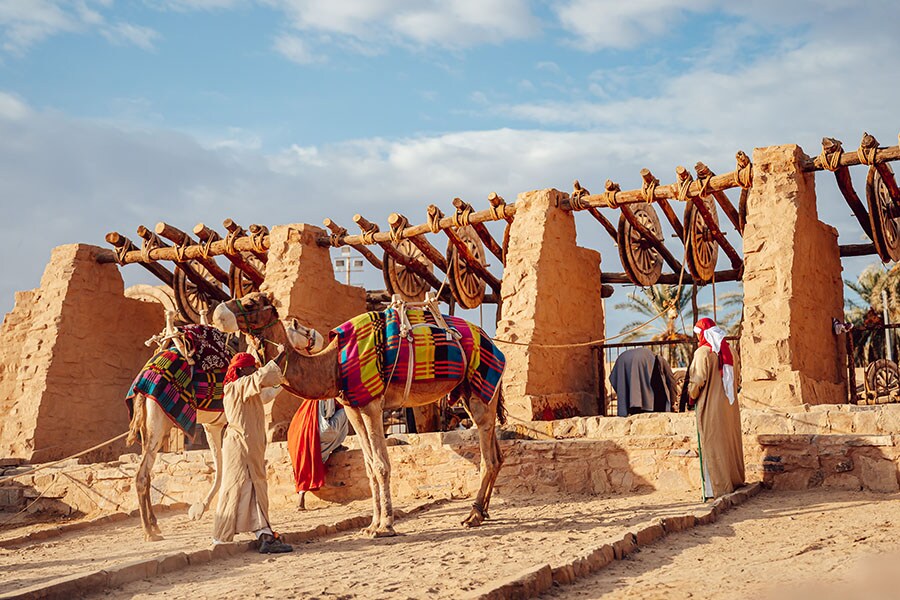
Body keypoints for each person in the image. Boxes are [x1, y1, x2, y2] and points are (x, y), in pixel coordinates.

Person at [212, 351, 293, 553]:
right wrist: (283, 355)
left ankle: (264, 534)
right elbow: (262, 377)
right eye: (251, 367)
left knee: (255, 488)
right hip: (239, 447)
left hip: (251, 448)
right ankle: (222, 537)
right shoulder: (236, 387)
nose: (254, 369)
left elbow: (267, 391)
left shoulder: (248, 391)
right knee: (234, 488)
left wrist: (283, 380)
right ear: (241, 370)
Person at [688, 318, 745, 500]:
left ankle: (716, 488)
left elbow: (698, 380)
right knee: (728, 442)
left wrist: (691, 396)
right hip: (728, 406)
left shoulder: (702, 353)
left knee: (712, 444)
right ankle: (733, 480)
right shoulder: (731, 352)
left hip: (711, 406)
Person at [287, 397, 349, 509]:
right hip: (319, 434)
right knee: (346, 411)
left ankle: (300, 499)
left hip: (298, 442)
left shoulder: (306, 404)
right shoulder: (325, 397)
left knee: (305, 466)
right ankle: (337, 446)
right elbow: (327, 414)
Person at [609, 347, 677, 416]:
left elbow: (613, 379)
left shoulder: (623, 357)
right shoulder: (659, 360)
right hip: (650, 405)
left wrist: (625, 394)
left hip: (623, 360)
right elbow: (671, 381)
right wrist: (673, 401)